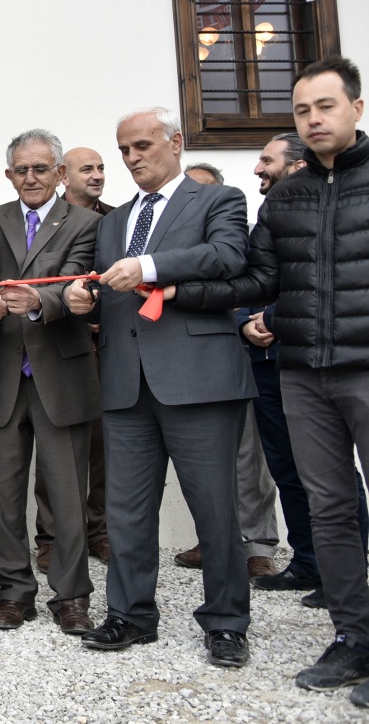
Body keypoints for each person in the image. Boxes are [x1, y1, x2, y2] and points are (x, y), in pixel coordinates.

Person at [169, 58, 369, 704]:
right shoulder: (285, 195)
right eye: (303, 110)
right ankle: (354, 638)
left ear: (357, 109)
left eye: (326, 106)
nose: (313, 119)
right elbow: (257, 280)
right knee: (329, 508)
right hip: (304, 373)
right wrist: (176, 288)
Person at [65, 106, 256, 669]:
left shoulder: (217, 200)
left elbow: (227, 258)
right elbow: (107, 291)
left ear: (175, 142)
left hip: (199, 379)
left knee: (215, 511)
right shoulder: (113, 220)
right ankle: (130, 615)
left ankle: (225, 623)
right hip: (127, 384)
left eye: (142, 146)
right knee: (126, 511)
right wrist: (85, 298)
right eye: (125, 150)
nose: (132, 158)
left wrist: (148, 267)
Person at [236, 133, 369, 602]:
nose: (257, 169)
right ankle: (310, 562)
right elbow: (250, 282)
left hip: (329, 363)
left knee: (333, 476)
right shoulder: (272, 214)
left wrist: (272, 319)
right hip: (272, 365)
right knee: (288, 469)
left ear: (294, 167)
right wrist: (243, 324)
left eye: (267, 160)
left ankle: (351, 571)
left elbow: (324, 285)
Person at [0, 129, 101, 635]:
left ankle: (71, 595)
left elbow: (77, 280)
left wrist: (40, 301)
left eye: (40, 168)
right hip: (3, 376)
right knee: (1, 495)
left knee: (68, 496)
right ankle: (13, 592)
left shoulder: (87, 223)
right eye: (20, 170)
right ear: (9, 175)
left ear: (59, 174)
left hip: (61, 374)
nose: (30, 178)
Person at [173, 159, 281, 579]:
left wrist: (251, 323)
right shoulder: (170, 241)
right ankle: (212, 538)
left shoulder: (239, 237)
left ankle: (257, 544)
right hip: (186, 362)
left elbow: (259, 284)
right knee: (203, 461)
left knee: (248, 460)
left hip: (242, 359)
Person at [36, 146, 113, 572]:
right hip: (55, 348)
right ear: (65, 175)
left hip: (107, 350)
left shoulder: (116, 219)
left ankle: (98, 530)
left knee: (101, 450)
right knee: (55, 457)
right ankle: (50, 537)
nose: (97, 175)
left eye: (102, 167)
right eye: (88, 168)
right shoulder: (42, 221)